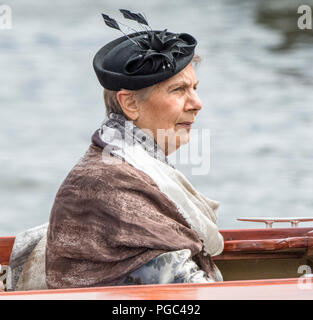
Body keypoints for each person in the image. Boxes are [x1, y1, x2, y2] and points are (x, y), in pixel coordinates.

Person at [9, 9, 224, 291]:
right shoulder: (107, 181)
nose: (197, 103)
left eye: (195, 88)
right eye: (178, 90)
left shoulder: (127, 167)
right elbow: (186, 289)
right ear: (130, 104)